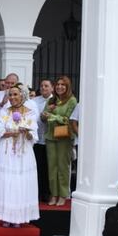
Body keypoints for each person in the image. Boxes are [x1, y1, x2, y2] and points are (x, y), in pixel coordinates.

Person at [0, 83, 39, 227]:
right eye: (10, 95)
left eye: (15, 94)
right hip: (6, 149)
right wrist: (11, 132)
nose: (12, 97)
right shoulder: (5, 112)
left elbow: (33, 136)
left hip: (23, 152)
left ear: (22, 95)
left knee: (20, 182)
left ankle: (19, 216)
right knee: (6, 181)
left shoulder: (29, 112)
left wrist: (27, 132)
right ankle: (6, 215)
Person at [43, 76, 78, 206]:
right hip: (50, 136)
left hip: (64, 137)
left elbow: (68, 119)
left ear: (68, 87)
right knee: (52, 167)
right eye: (57, 84)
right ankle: (54, 194)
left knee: (63, 167)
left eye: (63, 85)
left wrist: (52, 116)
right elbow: (43, 117)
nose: (59, 87)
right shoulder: (52, 100)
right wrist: (45, 114)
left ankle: (63, 195)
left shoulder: (72, 100)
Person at [33, 79, 54, 202]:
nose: (43, 88)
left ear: (52, 88)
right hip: (37, 139)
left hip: (51, 139)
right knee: (38, 167)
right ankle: (38, 192)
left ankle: (48, 192)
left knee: (49, 167)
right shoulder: (35, 101)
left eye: (46, 86)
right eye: (41, 86)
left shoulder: (56, 101)